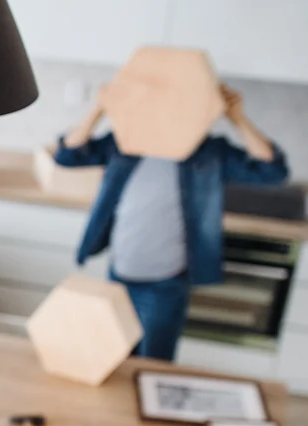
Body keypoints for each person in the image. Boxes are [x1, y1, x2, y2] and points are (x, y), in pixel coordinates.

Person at [54, 84, 289, 361]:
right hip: (119, 274)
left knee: (153, 363)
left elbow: (271, 171)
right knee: (114, 357)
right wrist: (99, 108)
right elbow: (67, 155)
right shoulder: (124, 143)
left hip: (165, 284)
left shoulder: (208, 153)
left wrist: (237, 117)